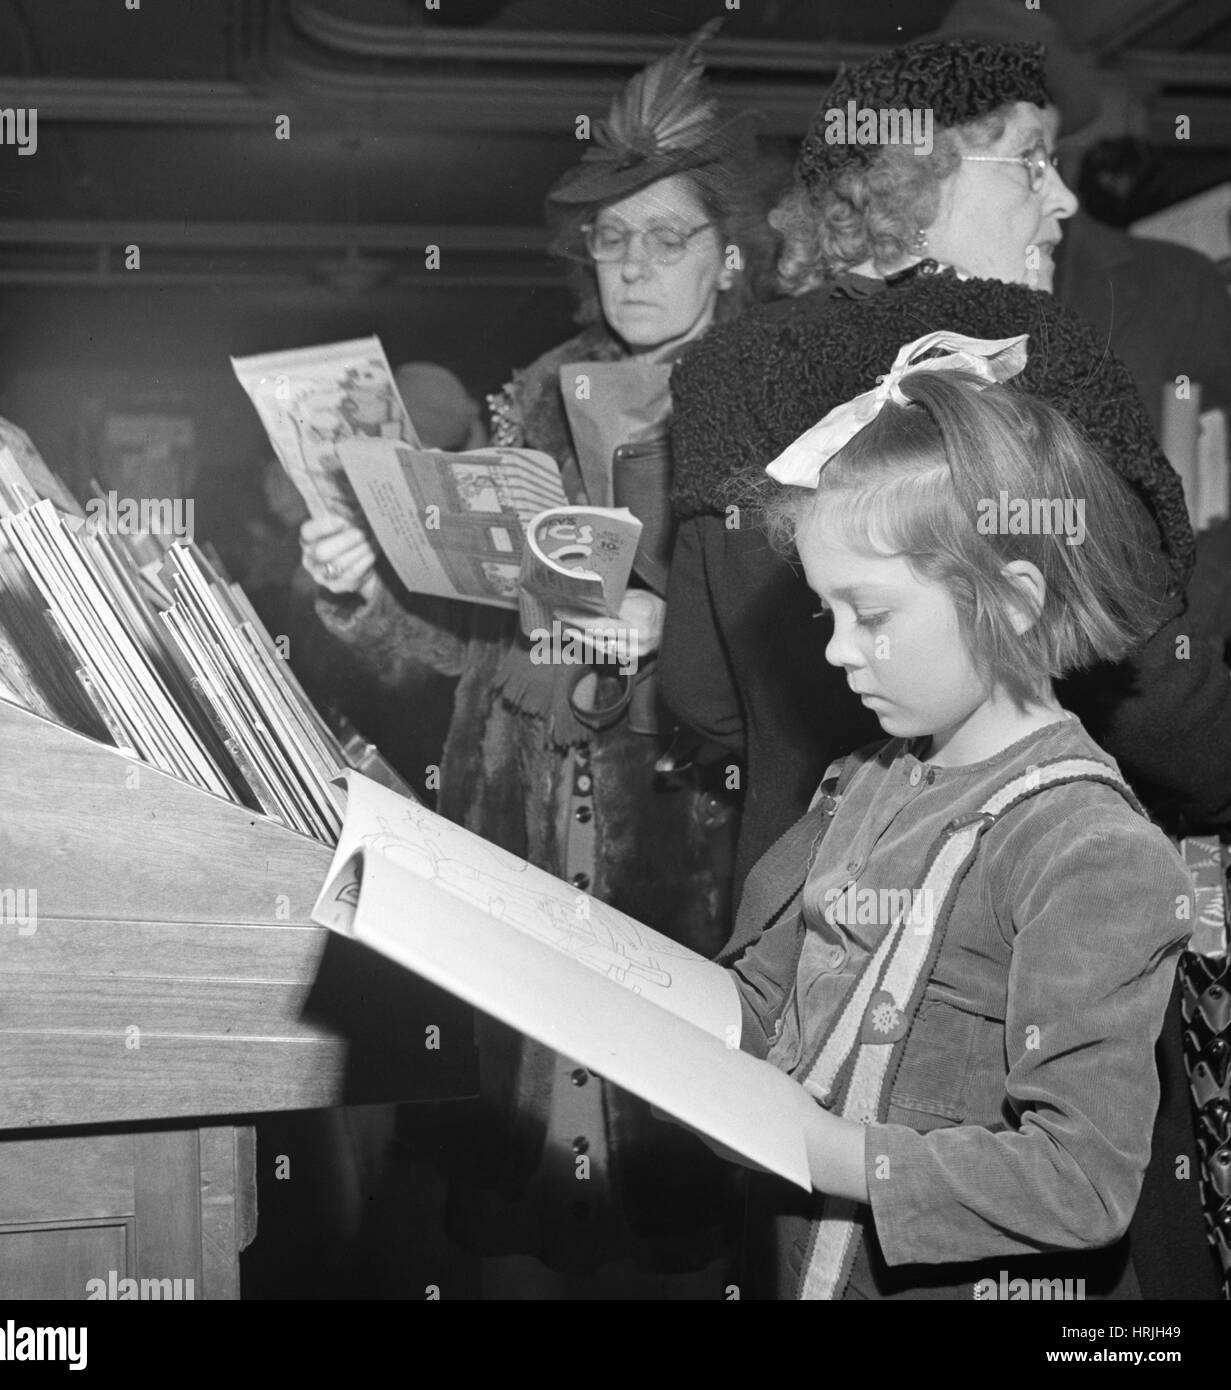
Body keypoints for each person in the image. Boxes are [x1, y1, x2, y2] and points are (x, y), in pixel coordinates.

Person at [661, 35, 1231, 1300]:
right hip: (999, 1003)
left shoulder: (717, 375)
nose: (1062, 200)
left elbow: (697, 701)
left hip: (802, 988)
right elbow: (1169, 711)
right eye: (1029, 163)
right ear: (922, 174)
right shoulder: (1042, 364)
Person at [302, 23, 777, 1289]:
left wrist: (678, 627)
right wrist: (358, 584)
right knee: (513, 1214)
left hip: (678, 837)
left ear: (728, 255)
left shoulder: (773, 397)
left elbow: (827, 642)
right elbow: (453, 650)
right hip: (516, 830)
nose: (630, 266)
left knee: (670, 1190)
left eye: (663, 238)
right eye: (609, 241)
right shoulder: (537, 390)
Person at [698, 338, 1192, 1299]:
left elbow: (1080, 1184)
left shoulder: (1087, 852)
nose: (839, 652)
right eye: (822, 614)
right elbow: (767, 996)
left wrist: (828, 1153)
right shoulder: (865, 780)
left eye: (869, 614)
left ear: (1009, 602)